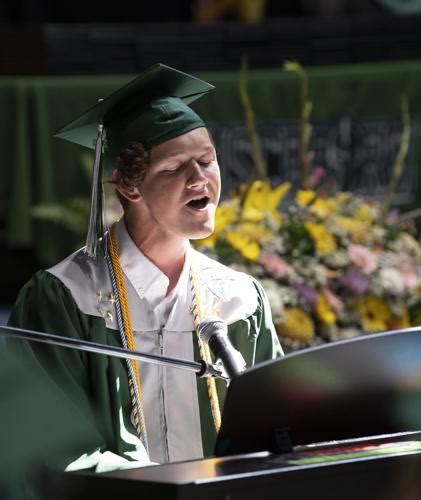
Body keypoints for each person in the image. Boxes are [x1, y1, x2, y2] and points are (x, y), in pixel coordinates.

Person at [6, 63, 282, 493]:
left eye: (207, 160)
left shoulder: (239, 300)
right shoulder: (67, 298)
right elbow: (49, 451)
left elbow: (278, 434)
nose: (200, 178)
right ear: (129, 187)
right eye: (174, 169)